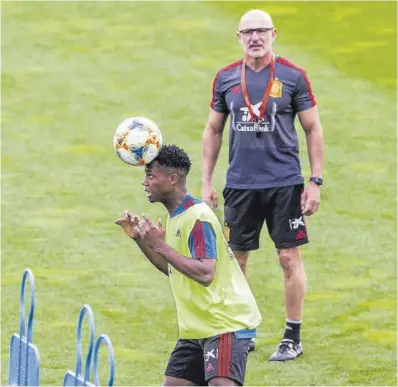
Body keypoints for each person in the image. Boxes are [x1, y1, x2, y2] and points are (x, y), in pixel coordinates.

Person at [201, 9, 325, 362]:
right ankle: (242, 329)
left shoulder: (293, 76)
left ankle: (292, 335)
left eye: (261, 31)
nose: (255, 38)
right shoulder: (225, 78)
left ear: (274, 34)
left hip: (284, 183)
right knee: (236, 260)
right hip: (240, 185)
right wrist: (207, 180)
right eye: (248, 32)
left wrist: (314, 182)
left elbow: (313, 128)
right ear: (238, 38)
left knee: (288, 258)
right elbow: (213, 129)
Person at [115, 144, 262, 386]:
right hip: (197, 327)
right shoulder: (177, 216)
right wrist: (141, 240)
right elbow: (171, 268)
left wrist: (160, 245)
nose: (144, 182)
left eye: (150, 175)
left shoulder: (198, 218)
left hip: (225, 323)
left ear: (172, 179)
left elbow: (205, 272)